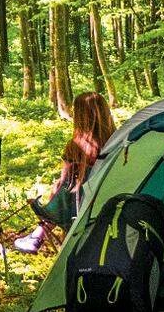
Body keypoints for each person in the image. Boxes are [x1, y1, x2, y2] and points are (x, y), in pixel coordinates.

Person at [13, 91, 116, 253]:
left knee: (63, 189)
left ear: (80, 117)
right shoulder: (118, 144)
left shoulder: (76, 147)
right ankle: (36, 236)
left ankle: (38, 236)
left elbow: (63, 182)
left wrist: (54, 190)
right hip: (110, 206)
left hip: (78, 211)